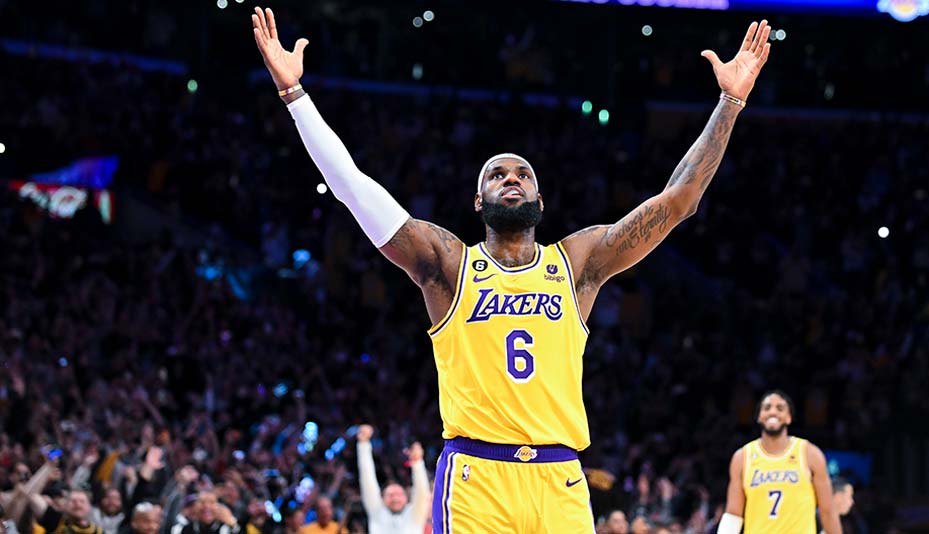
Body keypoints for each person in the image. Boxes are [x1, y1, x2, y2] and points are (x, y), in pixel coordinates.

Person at [250, 7, 772, 532]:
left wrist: (729, 102)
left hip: (561, 478)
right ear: (478, 201)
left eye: (522, 172)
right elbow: (353, 187)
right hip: (477, 477)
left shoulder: (578, 263)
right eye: (496, 174)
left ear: (540, 197)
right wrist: (296, 97)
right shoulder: (448, 264)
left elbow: (678, 200)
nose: (511, 178)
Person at [721, 390, 840, 534]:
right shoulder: (742, 457)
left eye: (780, 408)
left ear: (789, 418)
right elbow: (733, 514)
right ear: (759, 417)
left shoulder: (810, 454)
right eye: (767, 408)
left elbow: (827, 511)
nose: (773, 412)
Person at [354, 426, 429, 534]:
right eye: (390, 495)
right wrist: (363, 444)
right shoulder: (377, 512)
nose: (395, 499)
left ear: (406, 499)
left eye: (398, 494)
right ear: (382, 498)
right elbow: (367, 479)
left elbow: (422, 492)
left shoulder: (414, 514)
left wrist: (417, 462)